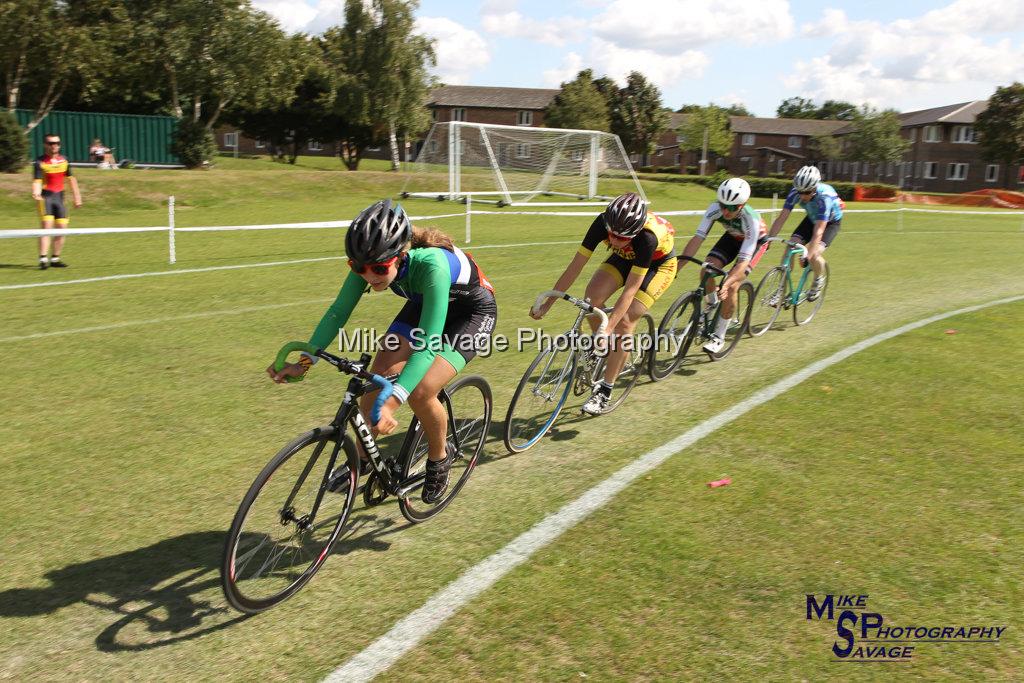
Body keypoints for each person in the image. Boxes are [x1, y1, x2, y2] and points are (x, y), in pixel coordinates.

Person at [268, 199, 497, 504]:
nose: (369, 275)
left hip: (472, 313)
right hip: (424, 303)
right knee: (377, 379)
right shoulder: (369, 262)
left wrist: (394, 400)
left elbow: (428, 344)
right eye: (359, 268)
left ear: (401, 256)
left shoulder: (432, 265)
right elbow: (338, 312)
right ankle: (363, 459)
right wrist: (305, 361)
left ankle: (439, 458)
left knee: (420, 391)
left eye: (379, 268)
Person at [531, 192, 676, 416]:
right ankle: (603, 349)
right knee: (591, 299)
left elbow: (629, 291)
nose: (615, 240)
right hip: (624, 257)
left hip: (657, 266)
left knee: (625, 322)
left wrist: (607, 329)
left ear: (635, 231)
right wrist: (549, 303)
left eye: (622, 237)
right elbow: (575, 267)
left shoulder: (647, 238)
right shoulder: (602, 222)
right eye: (612, 235)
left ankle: (605, 391)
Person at [676, 177, 768, 354]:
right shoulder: (714, 209)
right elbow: (697, 239)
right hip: (733, 237)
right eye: (722, 205)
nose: (725, 211)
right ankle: (711, 303)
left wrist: (726, 284)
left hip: (755, 242)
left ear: (742, 205)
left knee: (732, 286)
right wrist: (678, 267)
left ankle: (719, 336)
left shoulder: (751, 220)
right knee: (706, 270)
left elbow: (743, 262)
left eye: (732, 208)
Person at [767, 165, 843, 301]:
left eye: (807, 192)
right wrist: (768, 239)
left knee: (814, 255)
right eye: (800, 192)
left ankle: (818, 279)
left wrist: (808, 254)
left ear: (814, 188)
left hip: (830, 223)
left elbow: (819, 230)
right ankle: (781, 290)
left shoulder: (824, 197)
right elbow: (782, 217)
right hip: (811, 218)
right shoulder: (795, 192)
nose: (802, 196)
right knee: (790, 247)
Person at [32, 134, 82, 270]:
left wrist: (77, 197)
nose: (54, 145)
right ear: (45, 145)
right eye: (51, 143)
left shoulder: (64, 160)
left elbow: (71, 179)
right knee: (46, 228)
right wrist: (36, 192)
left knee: (62, 229)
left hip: (60, 199)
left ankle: (55, 258)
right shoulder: (39, 161)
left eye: (57, 143)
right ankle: (43, 259)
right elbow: (36, 180)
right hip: (45, 199)